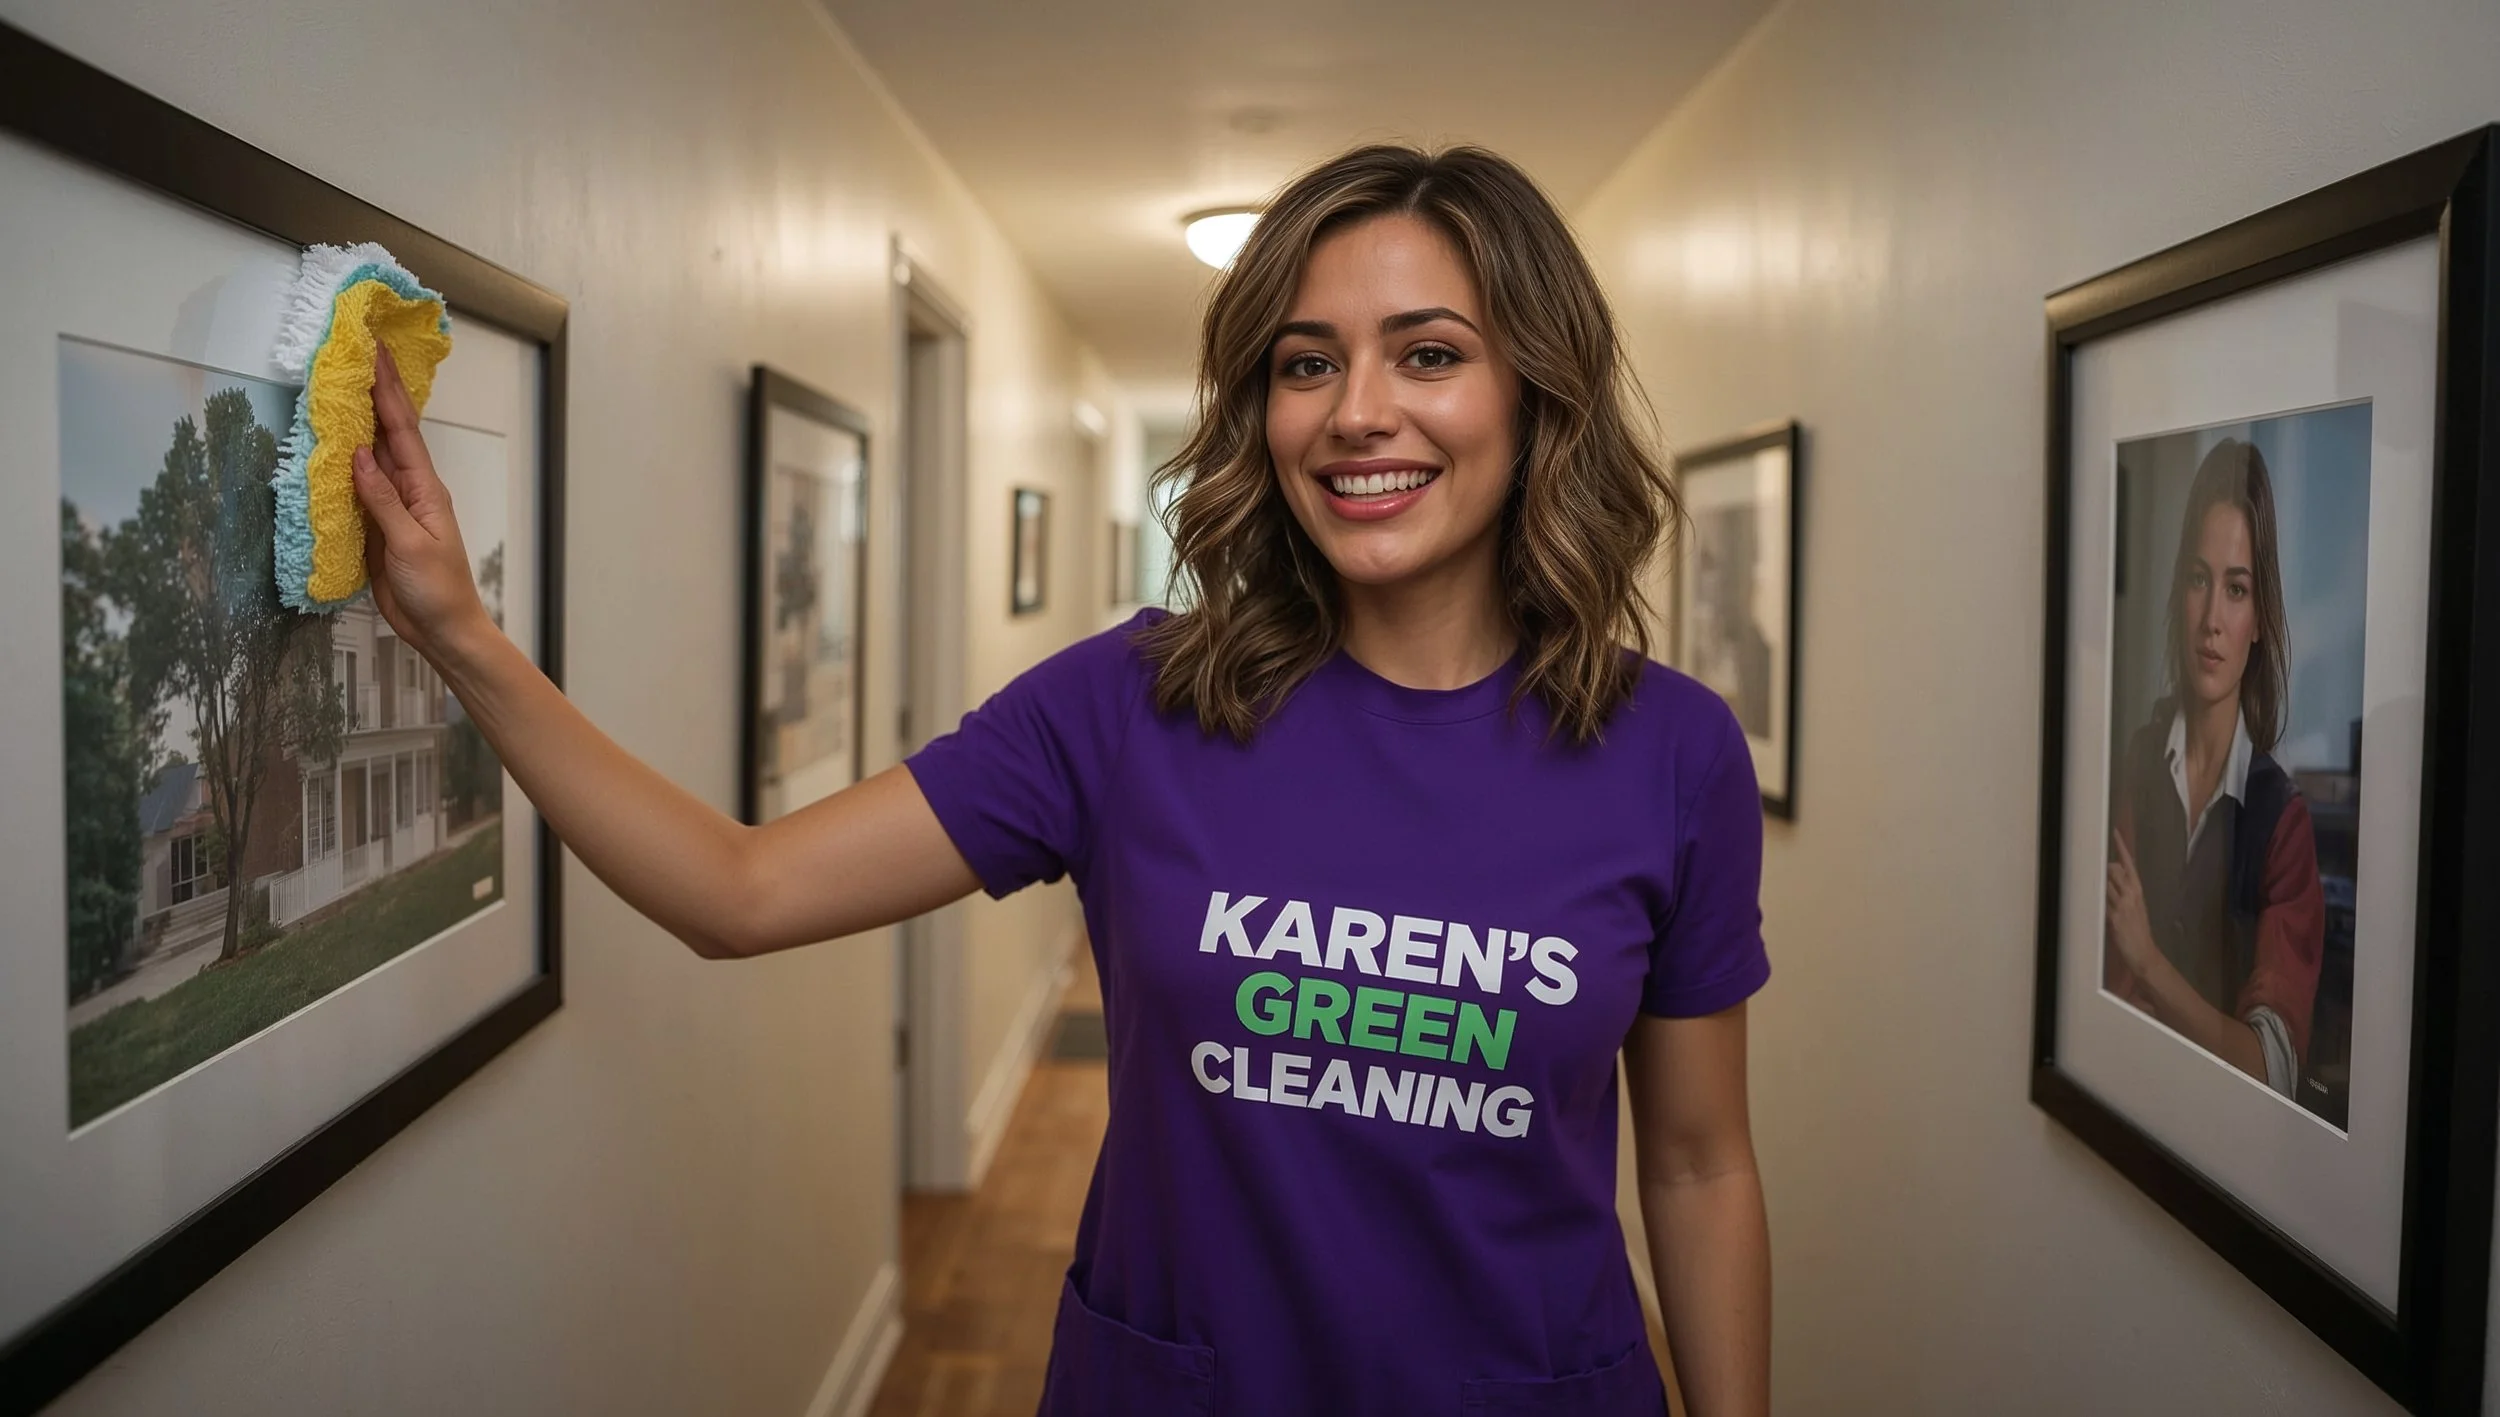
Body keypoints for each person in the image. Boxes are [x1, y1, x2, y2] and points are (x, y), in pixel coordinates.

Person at [353, 143, 1771, 1416]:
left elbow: (1700, 1165)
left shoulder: (1671, 752)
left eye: (1430, 353)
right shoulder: (1133, 705)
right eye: (1305, 361)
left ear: (1537, 393)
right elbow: (741, 890)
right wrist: (464, 638)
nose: (1357, 412)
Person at [2105, 438, 2325, 1100]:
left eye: (2237, 589)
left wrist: (2149, 961)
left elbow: (2269, 1068)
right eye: (2199, 580)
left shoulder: (2283, 823)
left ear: (2260, 619)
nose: (2211, 620)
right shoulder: (2134, 766)